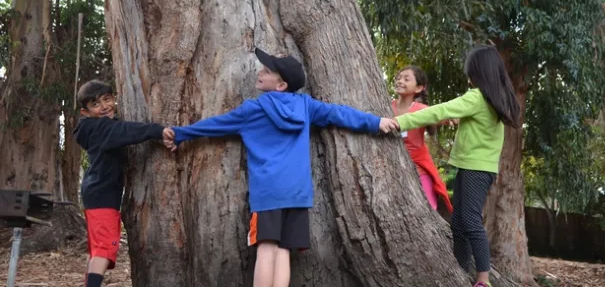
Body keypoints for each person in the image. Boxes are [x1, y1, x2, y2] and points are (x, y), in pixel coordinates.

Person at [163, 49, 398, 287]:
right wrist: (376, 122)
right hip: (298, 192)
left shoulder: (251, 110)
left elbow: (215, 125)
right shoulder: (306, 106)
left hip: (268, 192)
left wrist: (181, 134)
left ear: (281, 85)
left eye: (266, 71)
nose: (260, 72)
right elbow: (339, 113)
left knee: (267, 248)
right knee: (284, 250)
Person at [394, 46, 520, 287]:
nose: (468, 76)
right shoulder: (494, 99)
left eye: (470, 71)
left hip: (475, 168)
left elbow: (438, 111)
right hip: (474, 167)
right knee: (458, 221)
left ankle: (484, 279)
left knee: (469, 220)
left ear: (478, 73)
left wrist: (397, 121)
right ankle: (462, 269)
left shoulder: (476, 97)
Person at [73, 80, 174, 287]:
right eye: (96, 104)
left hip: (96, 194)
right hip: (102, 196)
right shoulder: (102, 129)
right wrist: (158, 130)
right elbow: (127, 131)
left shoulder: (94, 128)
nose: (104, 107)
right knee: (104, 247)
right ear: (86, 112)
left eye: (107, 99)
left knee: (97, 249)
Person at [392, 65, 453, 212]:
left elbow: (439, 116)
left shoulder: (422, 109)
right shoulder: (386, 105)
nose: (400, 81)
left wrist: (450, 118)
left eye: (406, 79)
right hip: (392, 165)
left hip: (419, 168)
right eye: (399, 78)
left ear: (419, 88)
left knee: (428, 208)